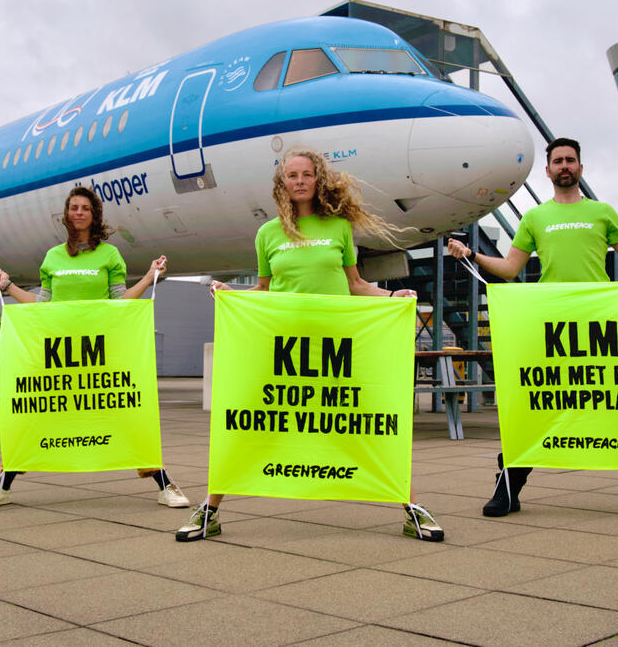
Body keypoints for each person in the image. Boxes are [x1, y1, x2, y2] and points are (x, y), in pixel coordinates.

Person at [176, 147, 443, 542]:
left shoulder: (338, 229)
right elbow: (264, 290)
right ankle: (210, 511)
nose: (299, 181)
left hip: (335, 348)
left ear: (317, 179)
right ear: (281, 184)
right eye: (291, 176)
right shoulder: (268, 234)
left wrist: (391, 297)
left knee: (370, 421)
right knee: (245, 420)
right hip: (282, 348)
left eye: (306, 174)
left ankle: (412, 508)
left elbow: (355, 285)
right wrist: (231, 293)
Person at [447, 137, 618, 520]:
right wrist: (470, 254)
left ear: (580, 169)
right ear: (549, 170)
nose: (565, 166)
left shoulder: (602, 212)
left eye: (571, 160)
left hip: (601, 324)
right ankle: (508, 489)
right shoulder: (535, 218)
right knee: (537, 405)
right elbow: (509, 269)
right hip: (551, 326)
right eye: (558, 161)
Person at [0, 185, 190, 510]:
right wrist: (9, 286)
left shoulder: (109, 255)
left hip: (101, 353)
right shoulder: (52, 257)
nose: (78, 212)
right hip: (59, 355)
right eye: (73, 207)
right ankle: (3, 485)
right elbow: (42, 304)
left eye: (85, 208)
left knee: (127, 414)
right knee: (37, 416)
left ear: (94, 214)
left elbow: (119, 301)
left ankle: (163, 483)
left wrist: (147, 278)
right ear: (66, 214)